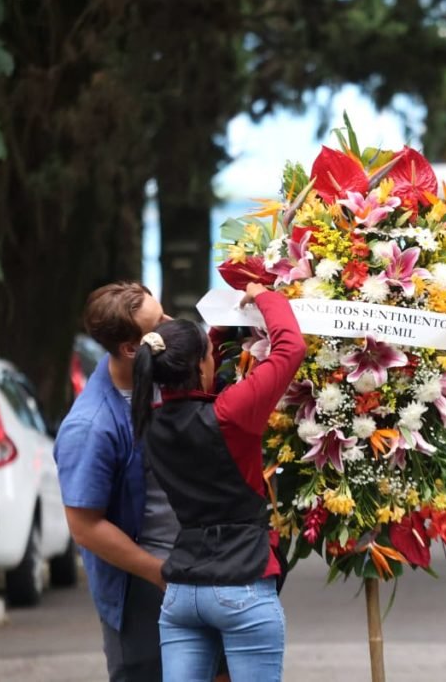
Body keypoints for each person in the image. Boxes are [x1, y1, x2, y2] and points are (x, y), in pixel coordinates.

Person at [132, 283, 306, 682]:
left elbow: (195, 371)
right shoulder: (230, 415)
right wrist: (266, 296)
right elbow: (290, 349)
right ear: (200, 366)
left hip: (182, 595)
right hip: (242, 585)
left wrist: (222, 328)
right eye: (210, 355)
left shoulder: (149, 420)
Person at [53, 281, 177, 682]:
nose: (171, 325)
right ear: (130, 349)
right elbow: (84, 526)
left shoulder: (162, 376)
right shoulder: (91, 426)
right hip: (142, 586)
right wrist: (158, 572)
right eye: (158, 324)